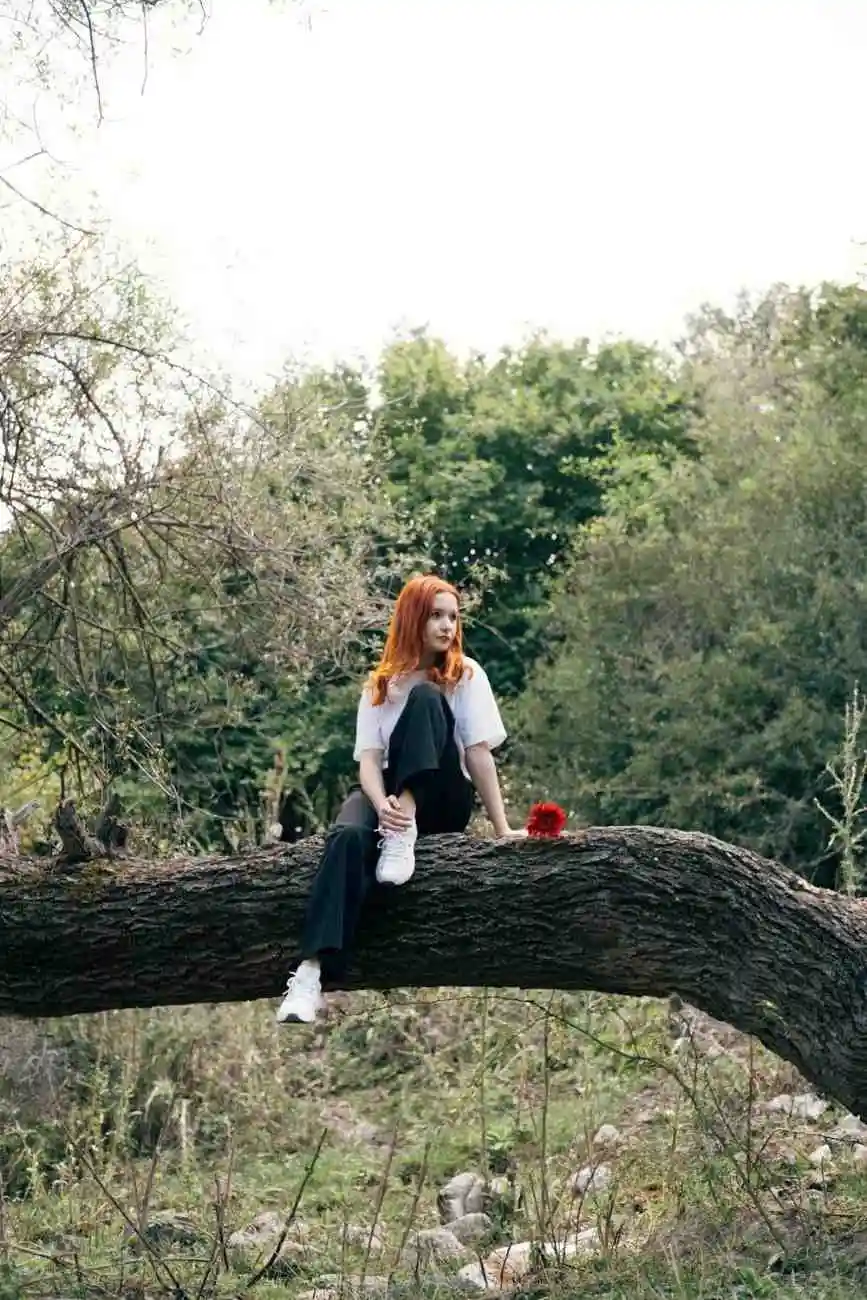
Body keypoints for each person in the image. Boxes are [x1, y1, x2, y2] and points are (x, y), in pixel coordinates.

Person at [275, 573, 527, 1025]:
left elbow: (478, 755)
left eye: (452, 616)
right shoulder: (380, 685)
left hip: (443, 793)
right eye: (435, 615)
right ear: (413, 618)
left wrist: (502, 827)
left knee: (427, 698)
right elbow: (370, 762)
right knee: (348, 835)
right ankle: (309, 975)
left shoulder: (466, 675)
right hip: (387, 789)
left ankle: (402, 829)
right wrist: (383, 802)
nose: (447, 626)